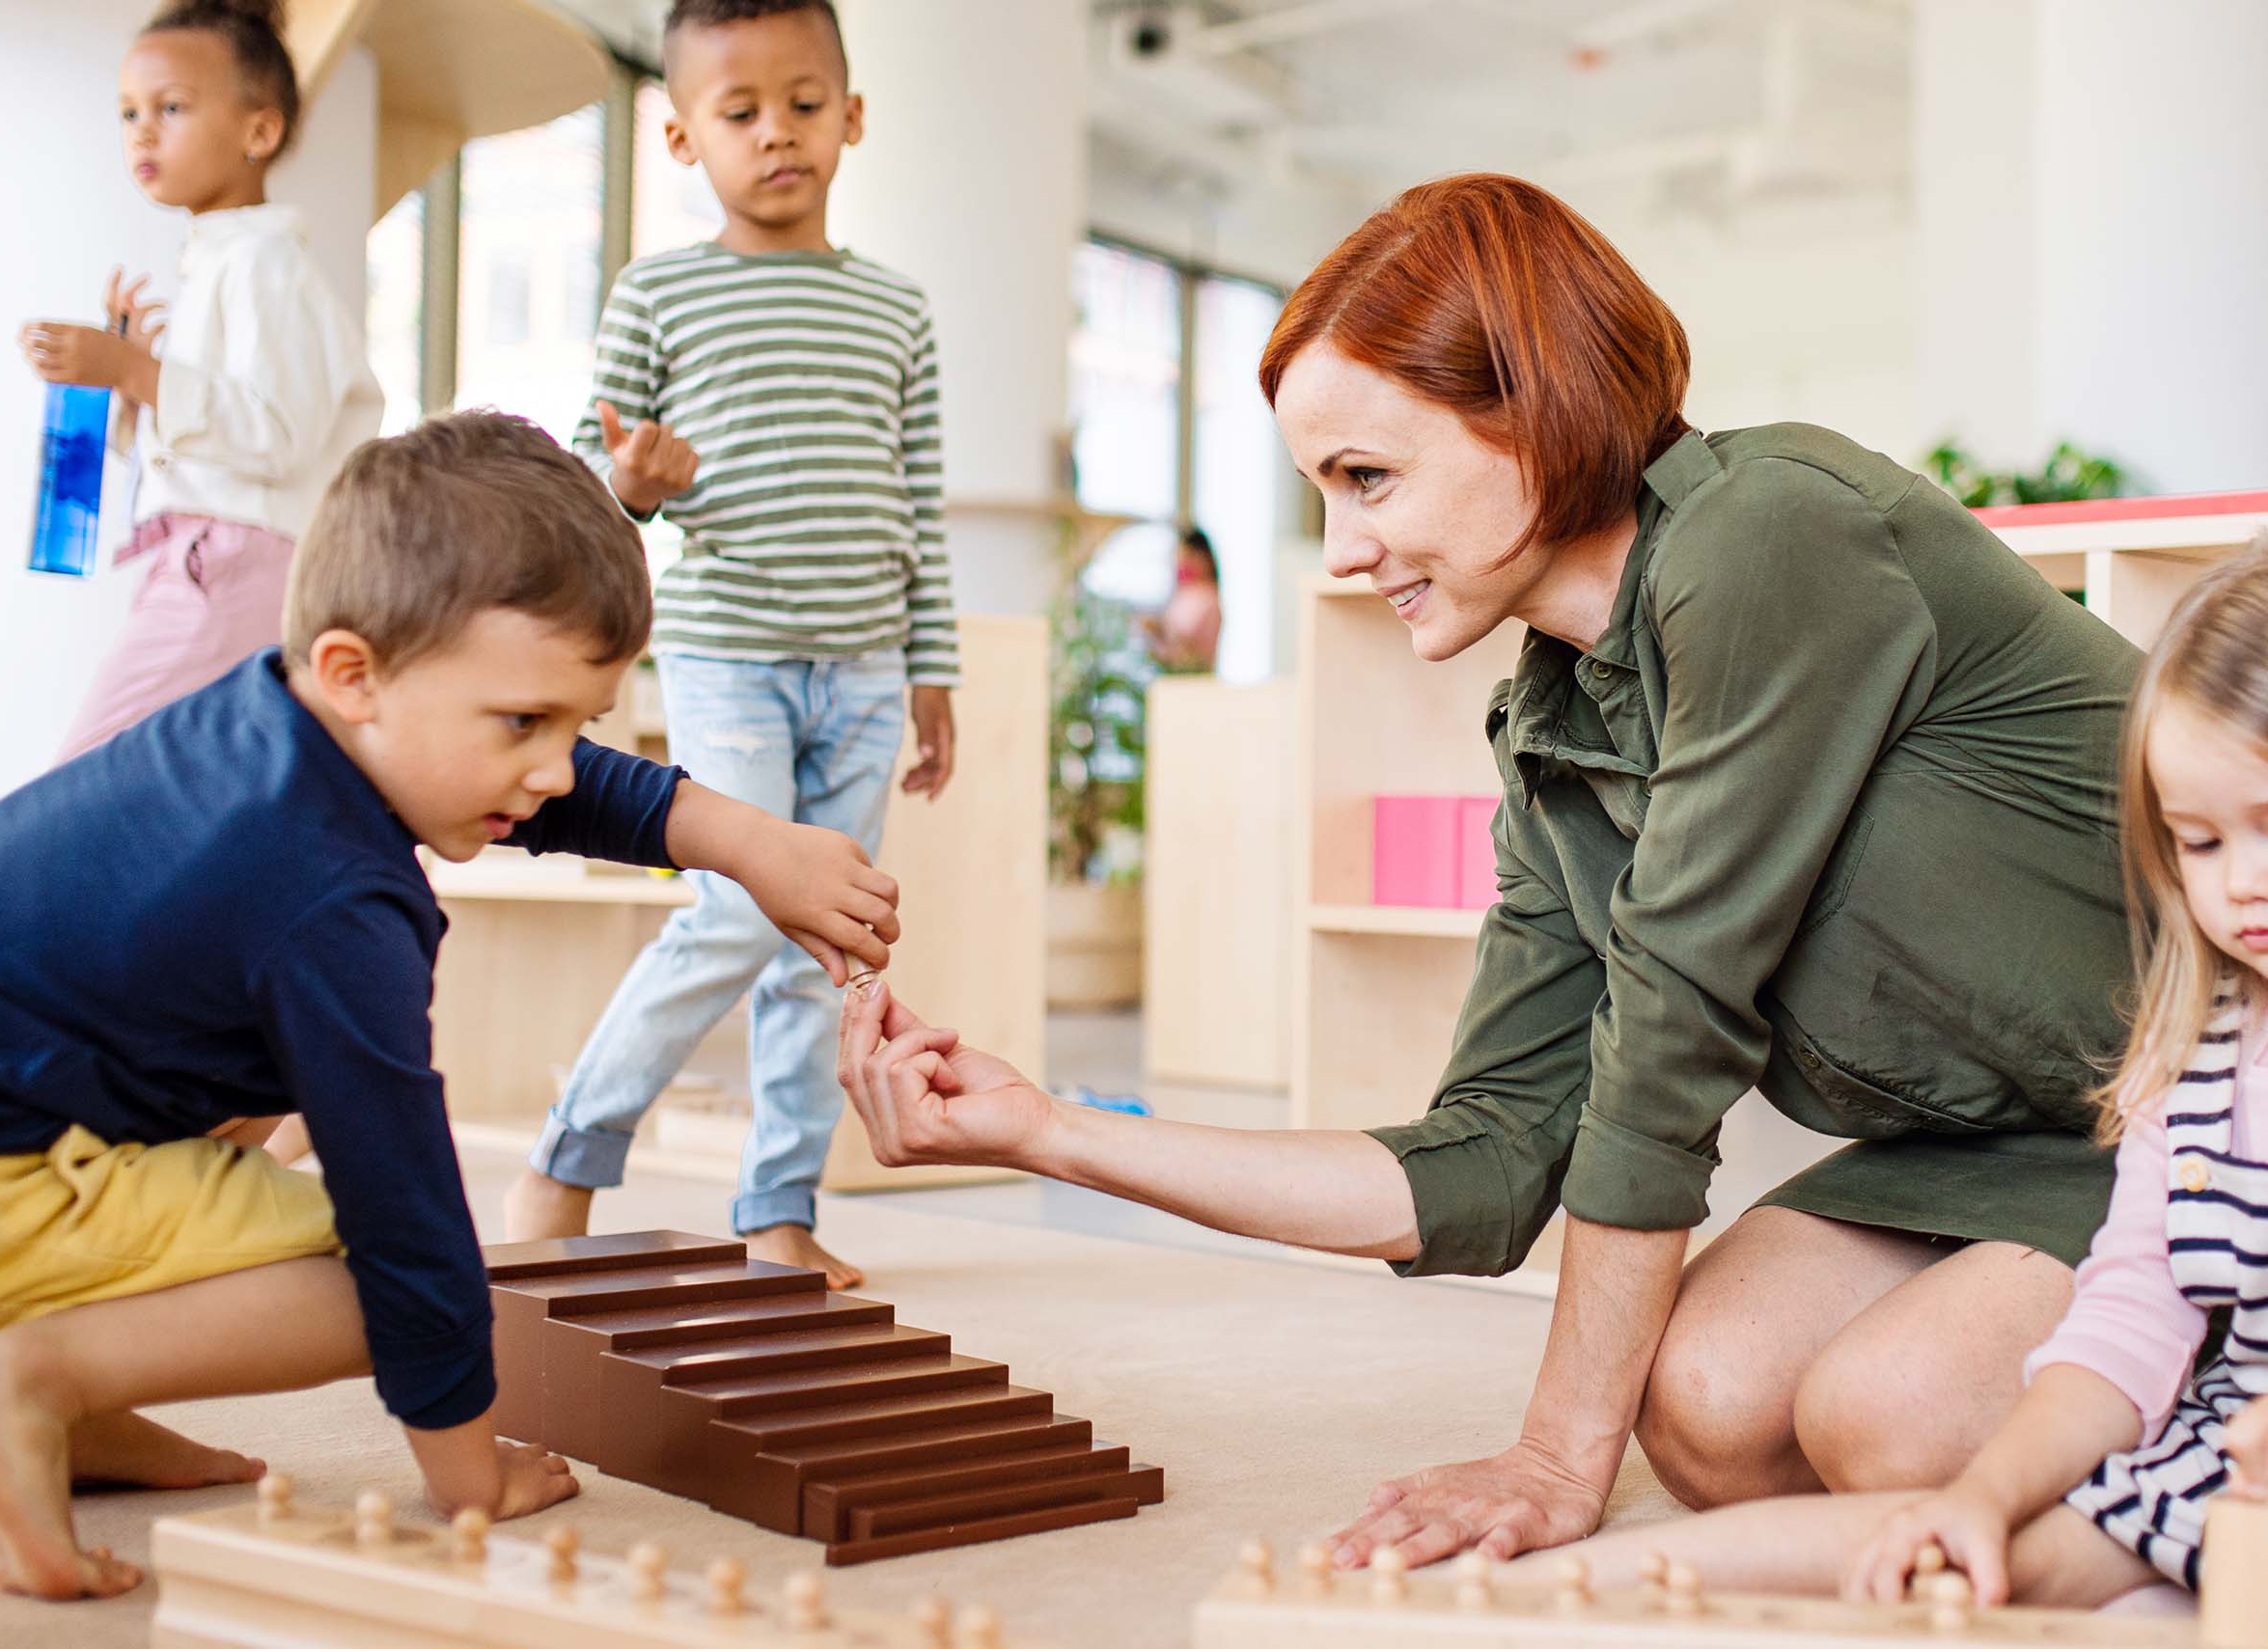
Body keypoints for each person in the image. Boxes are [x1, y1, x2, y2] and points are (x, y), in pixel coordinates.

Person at [837, 173, 2146, 1567]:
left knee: (1892, 1420)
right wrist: (1055, 1133)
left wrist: (1554, 1453)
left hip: (2228, 1115)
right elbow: (1489, 1160)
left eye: (1369, 479)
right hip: (2001, 1149)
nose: (1341, 552)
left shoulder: (1769, 535)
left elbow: (1672, 1036)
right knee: (1703, 1408)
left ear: (1534, 410)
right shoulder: (1553, 726)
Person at [0, 412, 899, 1602]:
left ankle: (80, 1406)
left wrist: (744, 840)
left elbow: (539, 779)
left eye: (576, 725)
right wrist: (467, 1471)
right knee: (375, 1279)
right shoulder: (331, 897)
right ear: (353, 671)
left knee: (253, 1087)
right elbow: (407, 1209)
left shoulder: (275, 725)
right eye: (523, 725)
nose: (552, 769)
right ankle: (18, 1375)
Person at [1525, 523, 2268, 1625]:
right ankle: (1524, 1596)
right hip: (2246, 1476)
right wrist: (1983, 1496)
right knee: (1952, 1564)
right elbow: (2126, 1326)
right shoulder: (2201, 1056)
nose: (2242, 886)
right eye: (2201, 845)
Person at [503, 0, 956, 1293]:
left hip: (869, 670)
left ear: (852, 118)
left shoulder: (896, 311)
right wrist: (633, 485)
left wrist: (933, 674)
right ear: (681, 136)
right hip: (726, 655)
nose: (777, 135)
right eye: (739, 112)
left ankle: (779, 1211)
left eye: (805, 105)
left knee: (830, 944)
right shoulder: (657, 295)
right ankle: (570, 1156)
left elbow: (919, 504)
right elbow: (590, 508)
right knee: (732, 915)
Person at [15, 0, 381, 764]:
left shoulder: (265, 267)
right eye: (129, 111)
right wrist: (129, 385)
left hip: (237, 562)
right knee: (221, 791)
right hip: (215, 559)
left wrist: (136, 371)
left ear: (260, 131)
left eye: (172, 107)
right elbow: (206, 442)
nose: (143, 130)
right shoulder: (222, 263)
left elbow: (277, 437)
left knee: (89, 779)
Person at [1146, 526, 1222, 673]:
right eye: (1180, 556)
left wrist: (1163, 631)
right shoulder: (1182, 596)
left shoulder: (1209, 599)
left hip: (1193, 679)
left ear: (1206, 558)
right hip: (1172, 674)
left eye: (1189, 556)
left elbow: (1192, 650)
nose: (1182, 563)